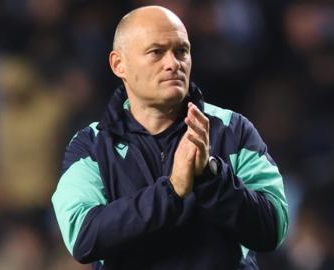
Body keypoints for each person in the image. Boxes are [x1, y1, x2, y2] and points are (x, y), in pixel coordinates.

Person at [52, 5, 288, 270]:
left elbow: (274, 228)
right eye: (156, 52)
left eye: (181, 51)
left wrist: (212, 177)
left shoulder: (233, 130)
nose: (173, 63)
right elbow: (83, 236)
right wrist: (171, 192)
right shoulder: (92, 145)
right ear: (119, 64)